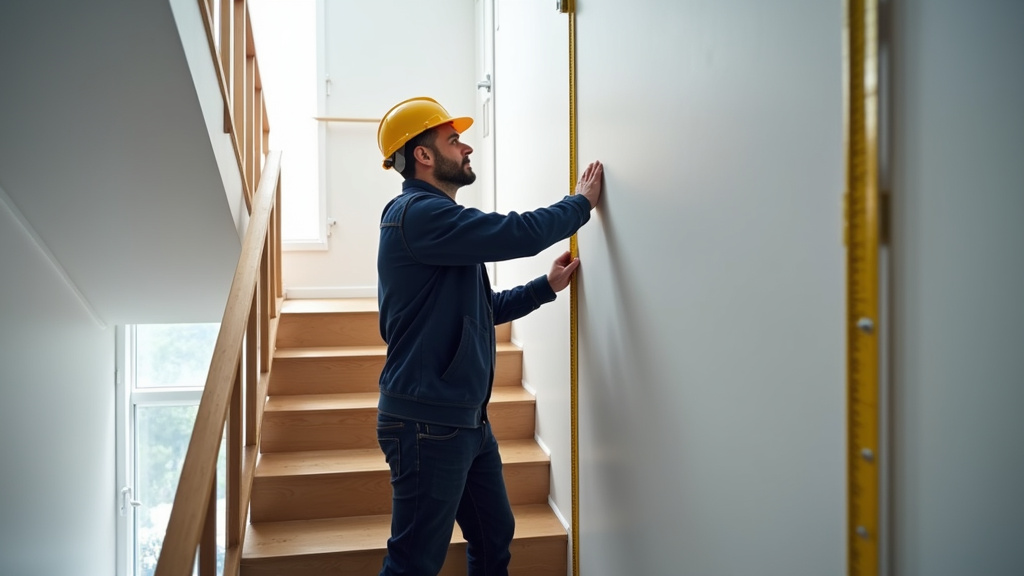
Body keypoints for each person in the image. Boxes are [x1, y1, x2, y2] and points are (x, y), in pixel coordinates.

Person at [374, 96, 602, 576]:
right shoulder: (416, 214)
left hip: (466, 421)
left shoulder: (439, 226)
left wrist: (545, 287)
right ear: (423, 155)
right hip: (427, 424)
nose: (466, 148)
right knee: (414, 563)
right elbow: (516, 233)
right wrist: (580, 204)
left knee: (494, 536)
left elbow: (482, 310)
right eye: (453, 140)